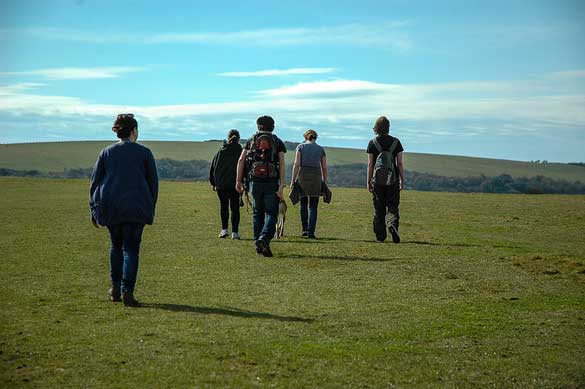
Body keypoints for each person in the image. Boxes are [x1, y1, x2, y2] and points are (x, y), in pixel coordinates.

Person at [89, 114, 159, 307]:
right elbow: (153, 183)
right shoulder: (145, 153)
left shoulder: (106, 153)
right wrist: (150, 207)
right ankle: (128, 291)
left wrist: (93, 209)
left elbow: (95, 183)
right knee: (131, 250)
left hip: (112, 207)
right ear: (134, 131)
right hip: (137, 208)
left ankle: (115, 289)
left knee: (116, 247)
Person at [235, 115, 286, 257]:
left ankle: (258, 244)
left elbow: (241, 160)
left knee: (258, 213)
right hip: (271, 182)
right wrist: (282, 184)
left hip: (254, 182)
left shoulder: (251, 140)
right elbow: (281, 164)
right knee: (272, 213)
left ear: (258, 126)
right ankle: (264, 238)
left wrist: (238, 181)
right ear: (273, 126)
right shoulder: (277, 141)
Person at [366, 116, 404, 243]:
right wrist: (401, 179)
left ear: (376, 127)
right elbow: (400, 163)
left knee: (379, 208)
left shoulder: (372, 143)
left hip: (377, 181)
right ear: (388, 127)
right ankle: (392, 224)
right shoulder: (396, 142)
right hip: (392, 180)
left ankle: (380, 237)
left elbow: (370, 164)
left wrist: (368, 181)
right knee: (393, 207)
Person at [290, 129, 328, 239]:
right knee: (313, 206)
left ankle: (304, 230)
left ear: (306, 137)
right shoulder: (321, 149)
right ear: (315, 138)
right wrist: (325, 181)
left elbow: (297, 164)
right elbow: (324, 167)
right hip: (316, 176)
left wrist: (293, 180)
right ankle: (311, 232)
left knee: (303, 204)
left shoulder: (300, 147)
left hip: (303, 176)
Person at [209, 129, 243, 240]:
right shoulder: (241, 151)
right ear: (238, 138)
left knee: (223, 207)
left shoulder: (221, 151)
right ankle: (235, 232)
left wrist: (213, 182)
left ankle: (224, 230)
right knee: (235, 208)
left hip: (221, 184)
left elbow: (213, 168)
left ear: (228, 138)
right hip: (235, 184)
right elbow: (245, 167)